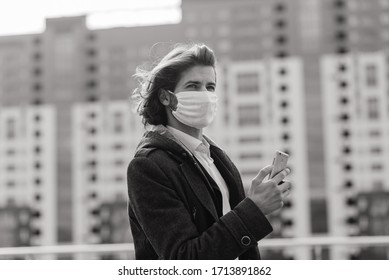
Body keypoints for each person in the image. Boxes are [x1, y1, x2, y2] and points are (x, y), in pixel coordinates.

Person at [127, 43, 292, 260]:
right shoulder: (148, 166)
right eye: (193, 86)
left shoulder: (216, 158)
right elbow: (184, 259)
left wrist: (251, 205)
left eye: (210, 87)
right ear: (165, 97)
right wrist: (254, 209)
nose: (204, 95)